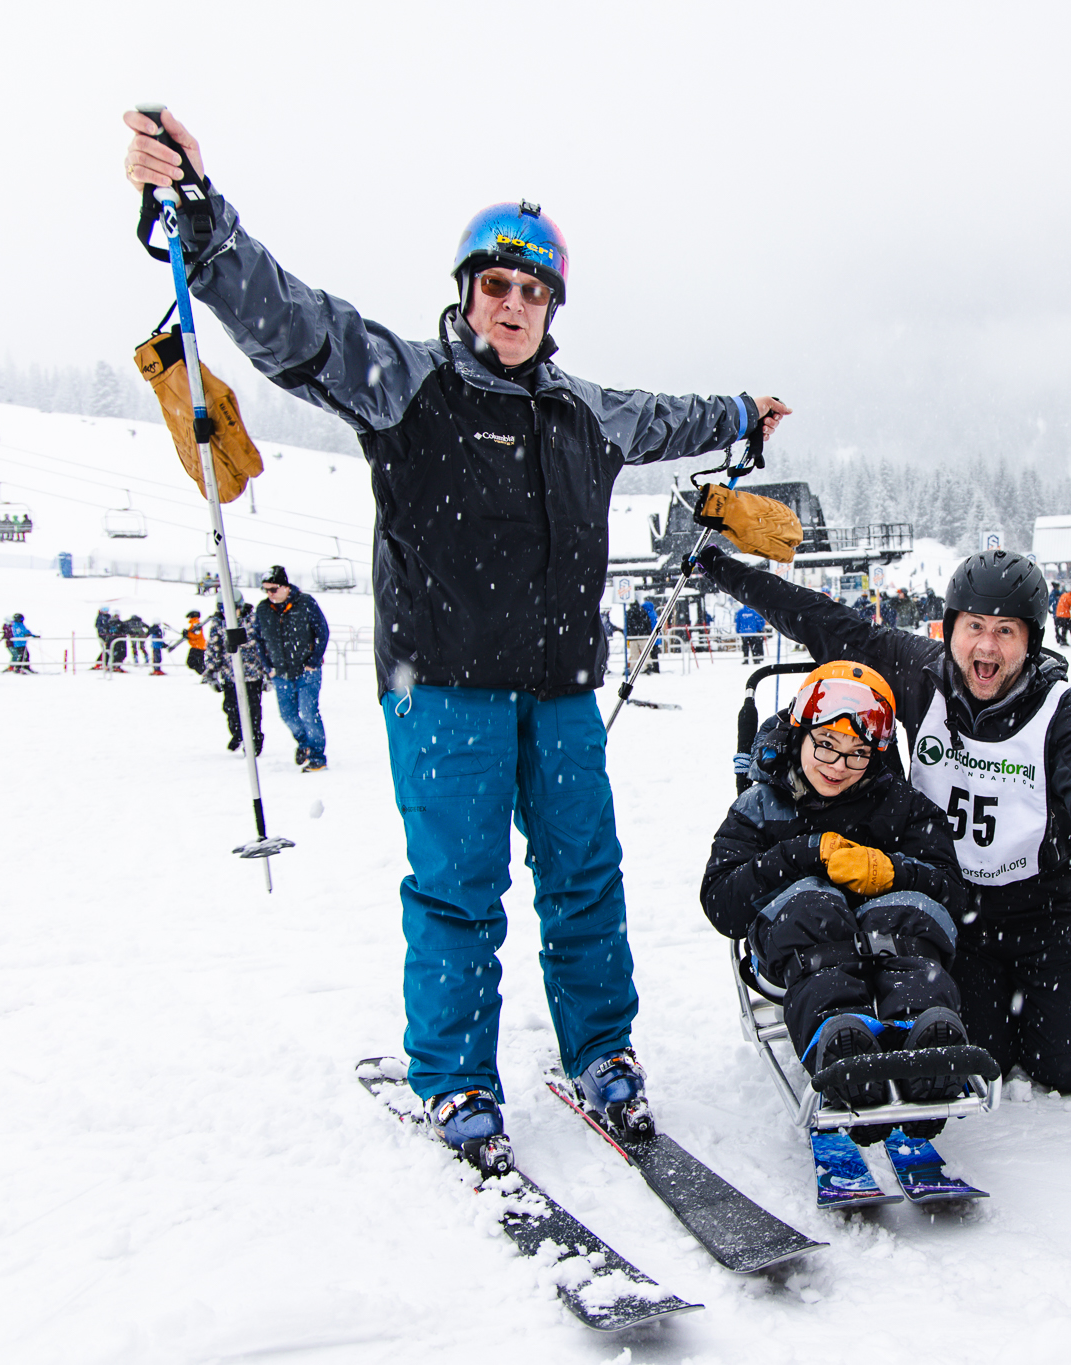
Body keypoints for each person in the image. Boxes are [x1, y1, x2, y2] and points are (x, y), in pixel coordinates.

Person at [124, 107, 791, 1153]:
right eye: (497, 285)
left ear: (551, 306)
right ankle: (456, 1077)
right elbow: (295, 324)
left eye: (532, 290)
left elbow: (670, 416)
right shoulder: (406, 382)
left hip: (561, 693)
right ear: (467, 291)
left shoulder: (584, 409)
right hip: (442, 691)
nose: (513, 304)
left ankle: (602, 1052)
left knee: (584, 879)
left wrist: (741, 415)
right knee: (459, 891)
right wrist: (204, 226)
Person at [695, 542, 1071, 1095]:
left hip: (1044, 907)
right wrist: (722, 568)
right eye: (974, 626)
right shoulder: (920, 674)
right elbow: (820, 620)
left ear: (1031, 640)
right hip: (955, 905)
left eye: (1006, 631)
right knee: (980, 1052)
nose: (986, 646)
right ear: (950, 630)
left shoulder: (1057, 715)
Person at [702, 662, 971, 1115]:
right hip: (803, 943)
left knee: (907, 911)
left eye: (856, 753)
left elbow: (953, 895)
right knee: (811, 907)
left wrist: (893, 872)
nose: (837, 766)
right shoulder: (760, 806)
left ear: (876, 753)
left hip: (890, 938)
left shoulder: (902, 807)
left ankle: (922, 1034)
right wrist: (802, 854)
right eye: (826, 745)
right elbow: (721, 903)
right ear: (800, 734)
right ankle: (839, 1039)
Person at [253, 565, 331, 771]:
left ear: (285, 586)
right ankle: (304, 743)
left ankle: (317, 756)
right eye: (265, 590)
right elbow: (258, 639)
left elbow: (322, 632)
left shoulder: (305, 603)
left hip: (307, 671)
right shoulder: (263, 609)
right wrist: (267, 666)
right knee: (287, 715)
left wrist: (314, 661)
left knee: (309, 713)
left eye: (273, 589)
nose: (269, 594)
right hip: (280, 672)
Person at [204, 601, 268, 756]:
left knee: (252, 709)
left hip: (252, 674)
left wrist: (268, 671)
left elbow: (264, 644)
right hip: (230, 674)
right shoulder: (218, 623)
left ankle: (254, 739)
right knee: (230, 707)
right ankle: (238, 733)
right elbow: (214, 647)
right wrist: (212, 670)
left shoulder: (253, 620)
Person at [182, 611, 206, 675]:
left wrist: (187, 634)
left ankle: (204, 674)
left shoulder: (195, 623)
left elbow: (196, 634)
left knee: (191, 663)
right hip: (199, 646)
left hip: (197, 647)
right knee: (199, 663)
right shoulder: (195, 623)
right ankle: (204, 674)